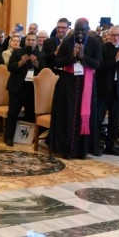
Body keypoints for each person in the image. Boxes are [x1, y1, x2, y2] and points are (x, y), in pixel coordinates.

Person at [47, 18, 102, 158]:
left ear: (88, 29)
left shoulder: (95, 43)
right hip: (67, 84)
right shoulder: (67, 42)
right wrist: (72, 55)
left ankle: (81, 151)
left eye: (83, 29)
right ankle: (66, 150)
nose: (80, 32)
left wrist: (83, 57)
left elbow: (98, 63)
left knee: (83, 116)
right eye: (77, 29)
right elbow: (57, 62)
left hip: (86, 84)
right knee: (67, 116)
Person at [5, 32, 43, 146]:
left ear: (36, 42)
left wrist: (35, 62)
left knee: (30, 114)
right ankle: (8, 137)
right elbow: (10, 68)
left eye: (33, 40)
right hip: (17, 88)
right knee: (12, 113)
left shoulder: (40, 54)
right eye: (28, 40)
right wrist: (21, 62)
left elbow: (43, 70)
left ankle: (28, 138)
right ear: (25, 41)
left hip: (32, 89)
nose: (30, 42)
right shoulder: (17, 52)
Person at [98, 25, 119, 155]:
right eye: (113, 35)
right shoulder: (103, 48)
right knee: (98, 119)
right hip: (103, 89)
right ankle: (95, 146)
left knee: (115, 121)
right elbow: (99, 66)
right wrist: (115, 60)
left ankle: (110, 146)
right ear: (109, 35)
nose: (116, 38)